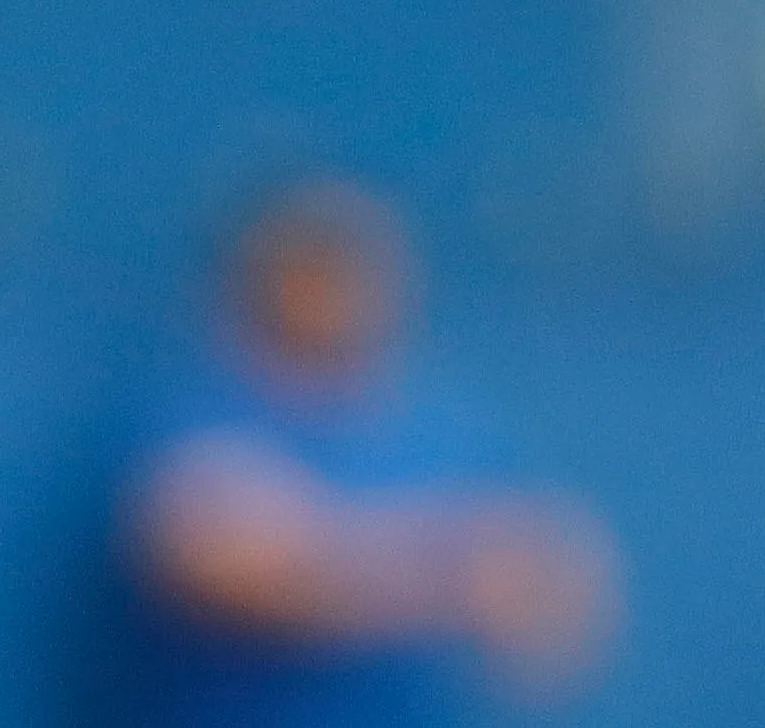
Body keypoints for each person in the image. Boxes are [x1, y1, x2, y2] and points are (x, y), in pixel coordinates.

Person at [125, 183, 617, 728]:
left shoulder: (444, 432)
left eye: (359, 268)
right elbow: (235, 568)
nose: (340, 291)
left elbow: (553, 602)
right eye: (316, 267)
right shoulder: (202, 415)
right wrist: (448, 569)